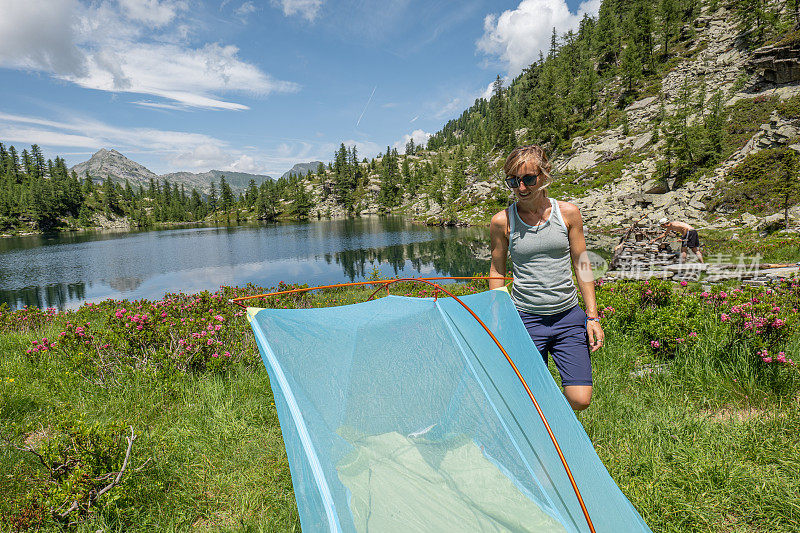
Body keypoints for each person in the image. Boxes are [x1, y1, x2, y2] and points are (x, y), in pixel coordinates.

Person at [488, 145, 602, 411]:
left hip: (567, 317)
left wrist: (592, 316)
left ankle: (550, 416)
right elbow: (497, 272)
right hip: (525, 318)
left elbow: (582, 264)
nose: (522, 188)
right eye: (513, 181)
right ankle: (543, 432)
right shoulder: (502, 221)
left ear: (545, 174)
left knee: (580, 399)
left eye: (529, 179)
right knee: (525, 397)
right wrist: (498, 317)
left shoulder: (568, 213)